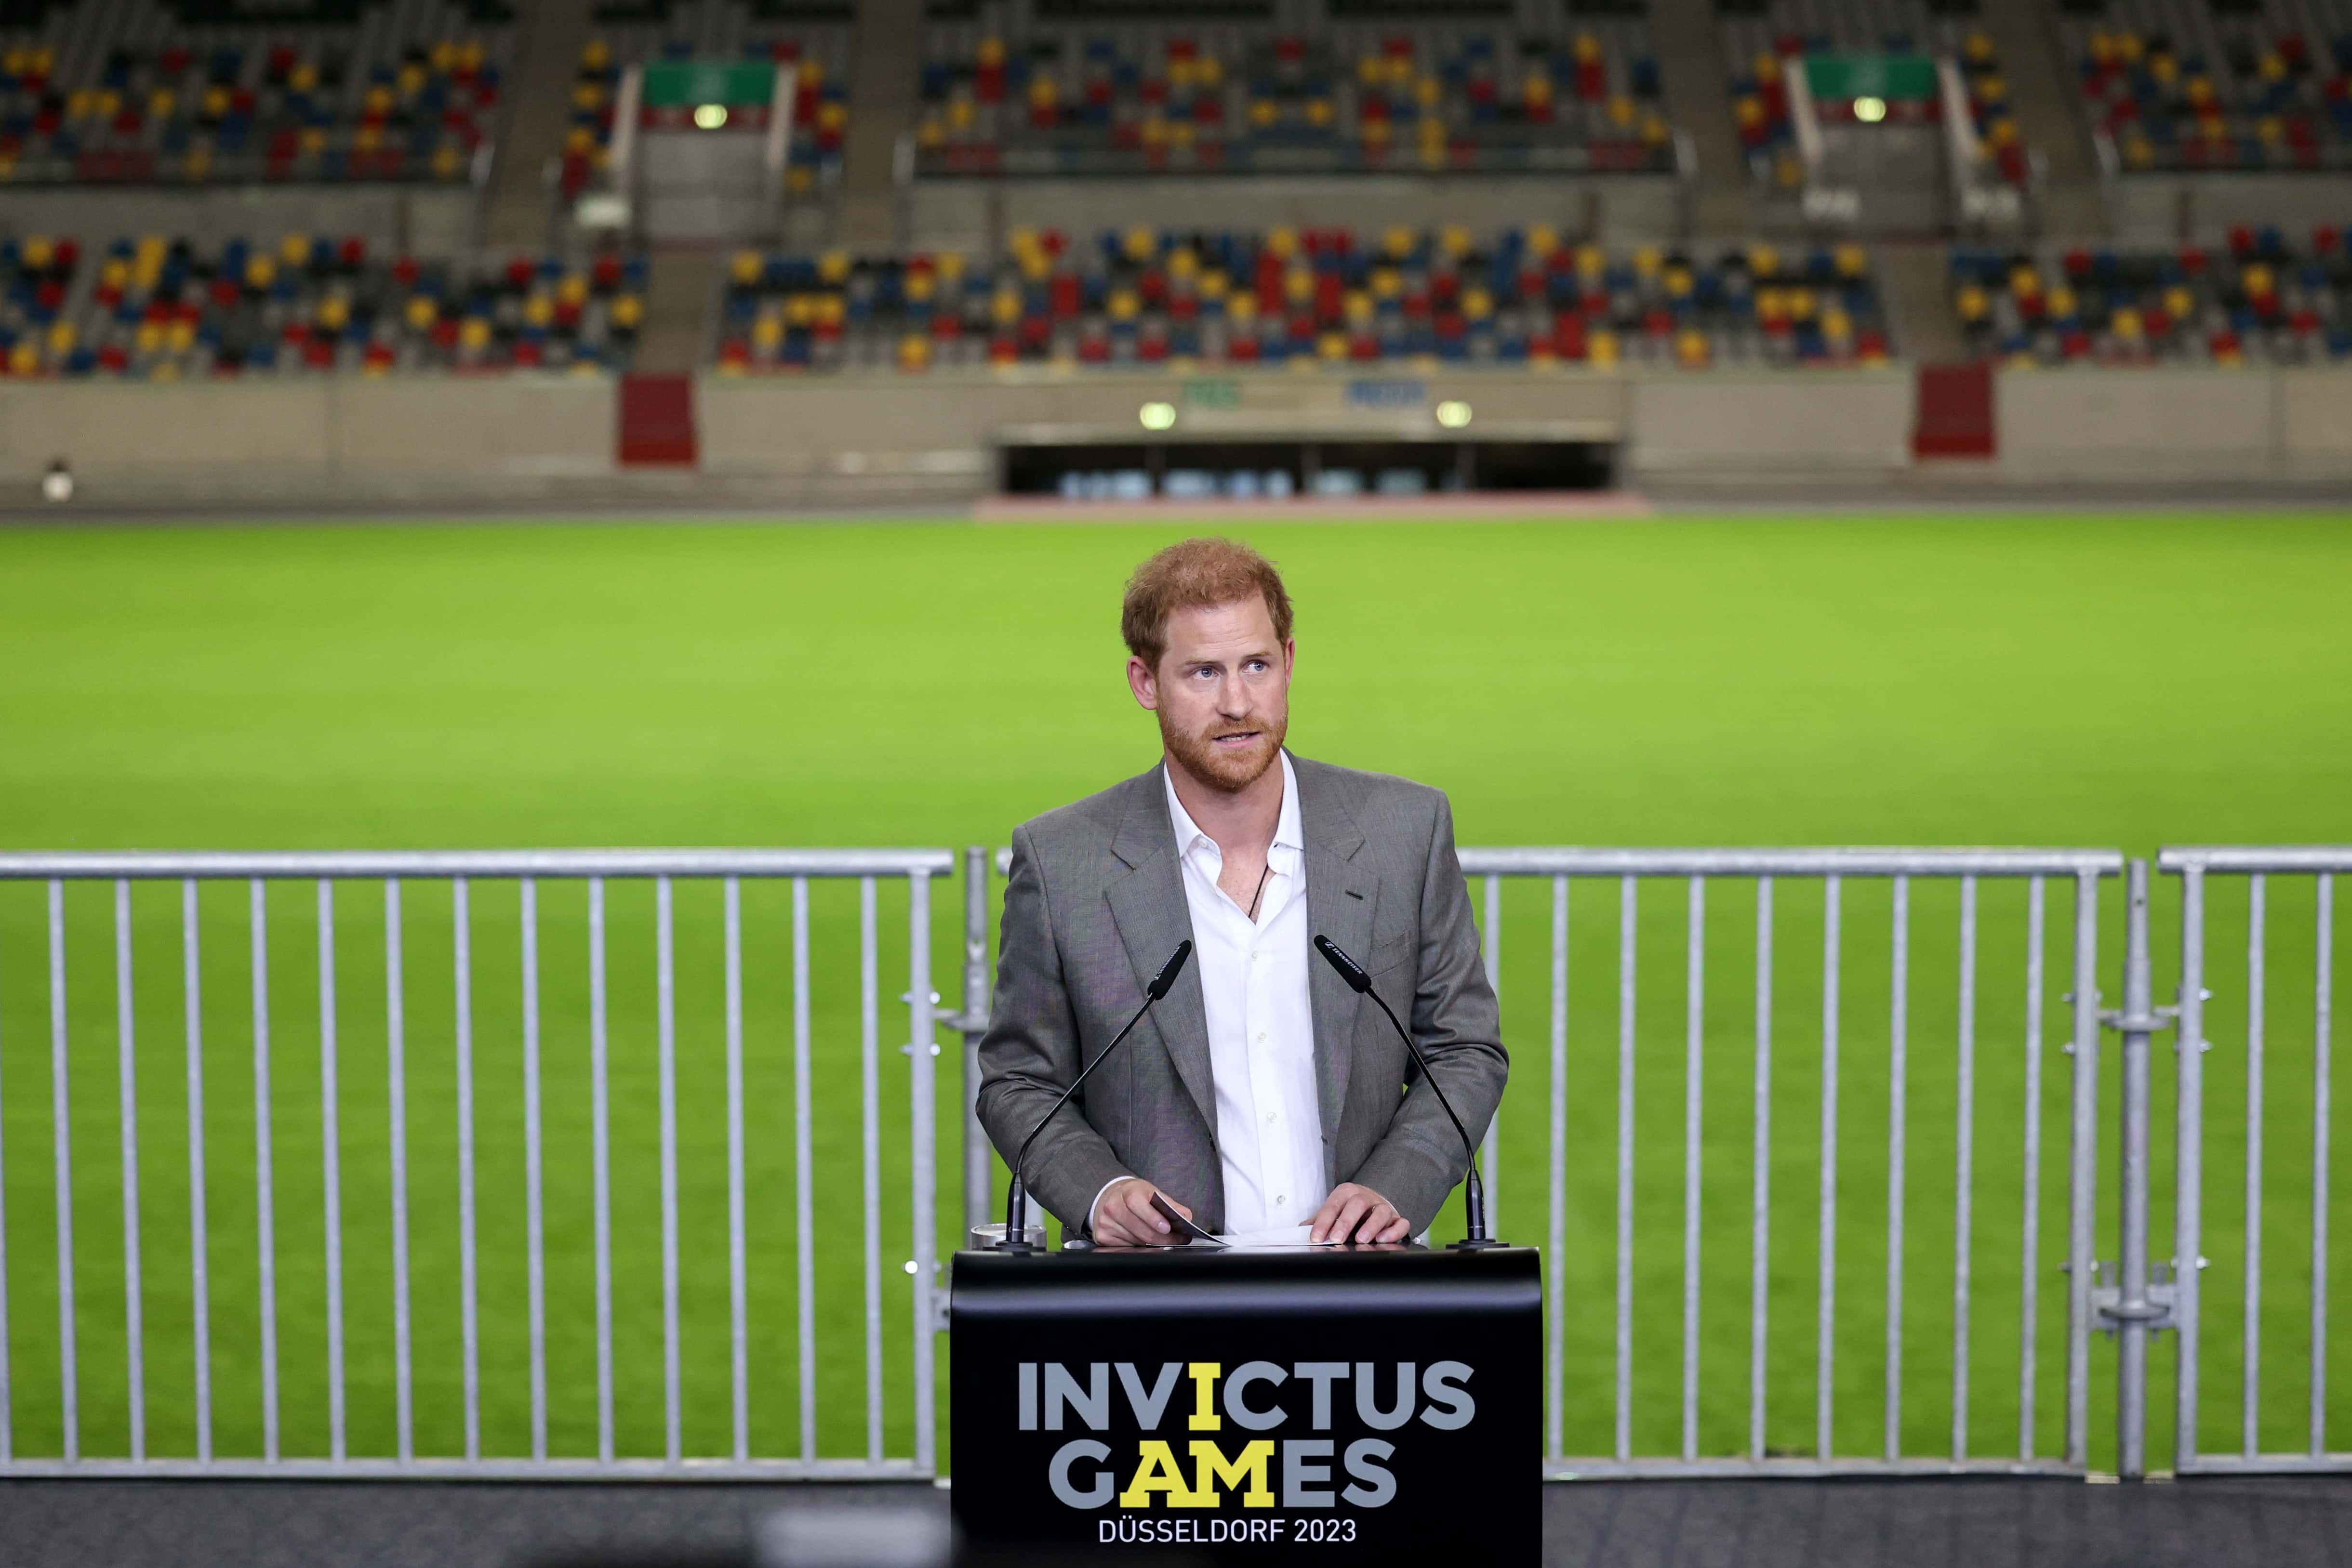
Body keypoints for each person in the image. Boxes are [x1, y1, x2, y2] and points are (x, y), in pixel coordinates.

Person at [976, 537, 1506, 1247]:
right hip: (1156, 1306)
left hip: (1361, 1292)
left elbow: (1463, 1049)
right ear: (1145, 683)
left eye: (1255, 665)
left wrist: (1397, 1184)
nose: (1235, 702)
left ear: (1288, 663)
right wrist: (1098, 1192)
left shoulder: (1403, 832)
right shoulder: (1060, 859)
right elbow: (1020, 1082)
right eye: (1201, 672)